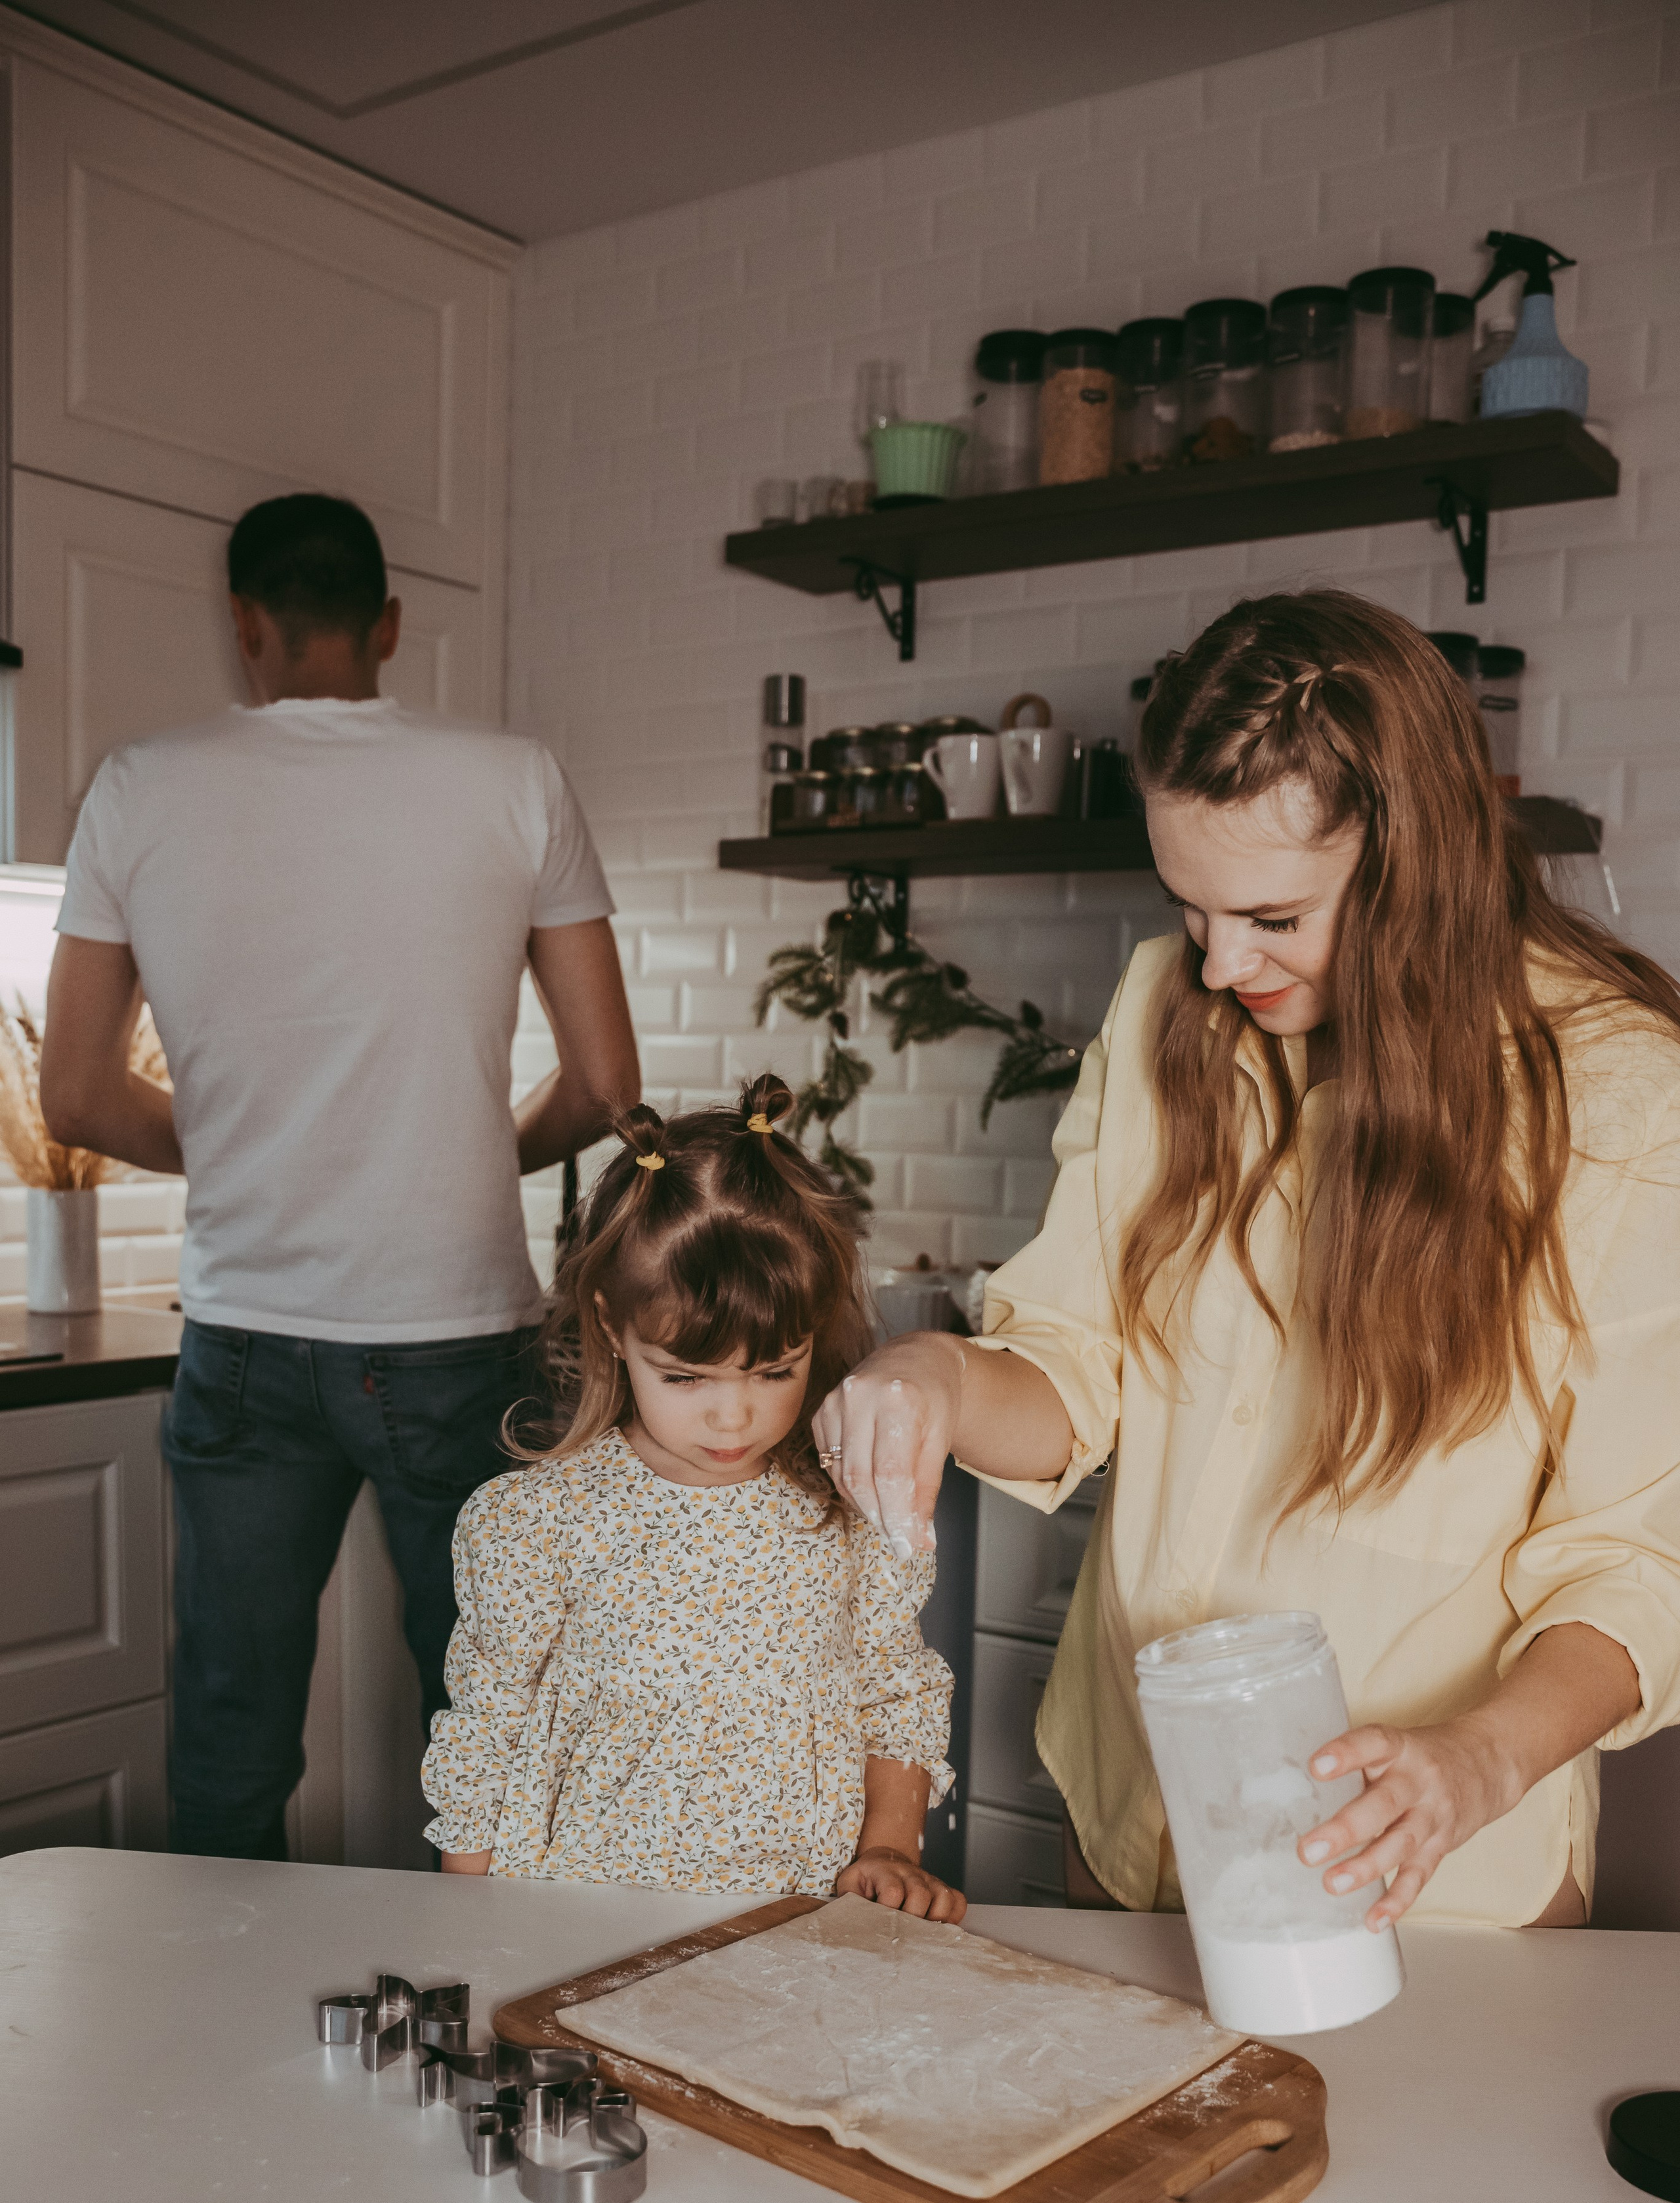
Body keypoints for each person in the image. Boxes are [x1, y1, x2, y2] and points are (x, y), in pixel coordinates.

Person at [816, 589, 1680, 1932]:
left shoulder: (1615, 1094)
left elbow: (1636, 1554)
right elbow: (1072, 1367)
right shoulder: (1171, 1008)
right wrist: (930, 1370)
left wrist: (1478, 1758)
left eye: (1274, 916)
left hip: (1421, 1881)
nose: (1218, 965)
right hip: (1135, 1816)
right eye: (1190, 906)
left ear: (1419, 869)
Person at [41, 492, 639, 1862]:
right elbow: (608, 1086)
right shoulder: (515, 775)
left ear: (243, 625)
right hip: (459, 1342)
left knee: (231, 1743)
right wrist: (460, 1145)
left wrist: (255, 1140)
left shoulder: (139, 785)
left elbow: (72, 1093)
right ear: (388, 624)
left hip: (246, 1344)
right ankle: (494, 2043)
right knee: (491, 1731)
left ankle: (219, 2045)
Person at [422, 1076, 963, 1918]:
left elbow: (897, 1696)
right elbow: (484, 1733)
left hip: (796, 1917)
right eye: (683, 1376)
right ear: (611, 1325)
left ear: (814, 1329)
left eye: (773, 1369)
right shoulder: (539, 1522)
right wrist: (468, 1924)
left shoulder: (853, 1505)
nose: (732, 1414)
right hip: (580, 1918)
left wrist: (889, 1849)